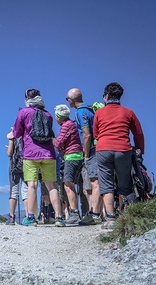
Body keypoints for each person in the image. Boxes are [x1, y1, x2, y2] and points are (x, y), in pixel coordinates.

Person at [94, 82, 144, 229]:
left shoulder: (99, 113)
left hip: (103, 149)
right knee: (124, 184)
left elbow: (96, 134)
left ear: (107, 96)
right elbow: (138, 134)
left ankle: (110, 218)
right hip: (123, 149)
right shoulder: (128, 112)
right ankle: (124, 217)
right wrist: (140, 150)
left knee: (106, 184)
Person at [13, 89, 65, 227]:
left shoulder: (23, 112)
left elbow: (17, 132)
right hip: (48, 153)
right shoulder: (47, 114)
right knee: (52, 185)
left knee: (32, 185)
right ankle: (59, 217)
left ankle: (31, 217)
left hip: (30, 153)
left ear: (27, 99)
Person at [66, 88, 102, 225]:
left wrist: (86, 154)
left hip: (92, 149)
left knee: (94, 182)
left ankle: (95, 215)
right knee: (97, 181)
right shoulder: (90, 109)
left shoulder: (80, 112)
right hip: (100, 147)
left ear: (71, 100)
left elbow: (86, 134)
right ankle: (98, 213)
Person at [53, 104, 84, 225]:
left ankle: (74, 213)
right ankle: (75, 212)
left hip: (72, 156)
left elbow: (58, 142)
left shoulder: (66, 126)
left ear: (59, 116)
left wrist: (53, 140)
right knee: (70, 185)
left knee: (68, 184)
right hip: (74, 155)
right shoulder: (71, 124)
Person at [5, 128, 29, 225]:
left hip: (14, 165)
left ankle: (11, 217)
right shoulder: (28, 133)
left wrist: (8, 152)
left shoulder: (13, 133)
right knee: (26, 191)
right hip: (27, 164)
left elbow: (10, 152)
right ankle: (28, 216)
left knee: (13, 191)